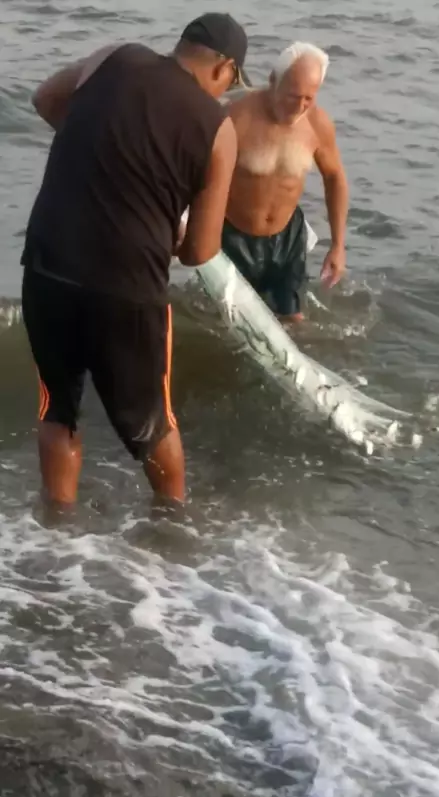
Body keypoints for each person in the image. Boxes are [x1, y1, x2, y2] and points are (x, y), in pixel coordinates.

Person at [21, 13, 251, 507]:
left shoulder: (113, 57)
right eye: (232, 81)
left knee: (58, 411)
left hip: (47, 264)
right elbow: (201, 251)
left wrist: (106, 152)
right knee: (153, 426)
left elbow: (45, 99)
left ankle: (57, 531)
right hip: (126, 287)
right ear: (224, 69)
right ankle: (174, 530)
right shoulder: (218, 128)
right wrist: (174, 229)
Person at [222, 42, 349, 322]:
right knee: (231, 321)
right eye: (292, 96)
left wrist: (338, 245)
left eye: (308, 98)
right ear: (272, 81)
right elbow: (199, 175)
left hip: (287, 237)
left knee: (293, 320)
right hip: (233, 236)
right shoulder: (236, 118)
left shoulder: (317, 124)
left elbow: (335, 177)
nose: (299, 107)